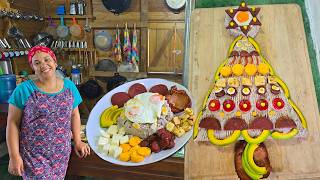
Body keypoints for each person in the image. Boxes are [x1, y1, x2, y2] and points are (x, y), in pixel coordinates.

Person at [6, 46, 90, 179]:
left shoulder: (69, 86)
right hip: (34, 155)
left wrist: (78, 140)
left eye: (47, 60)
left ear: (55, 62)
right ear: (33, 67)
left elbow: (74, 115)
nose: (43, 65)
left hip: (61, 152)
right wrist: (14, 156)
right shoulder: (23, 90)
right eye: (37, 63)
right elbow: (12, 124)